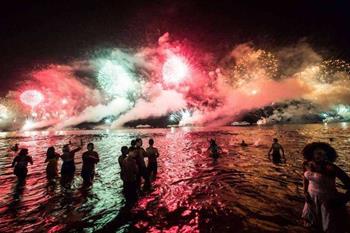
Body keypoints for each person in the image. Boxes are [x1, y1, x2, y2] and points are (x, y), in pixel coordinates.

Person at [302, 142, 350, 232]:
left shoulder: (331, 168)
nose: (322, 157)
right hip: (311, 200)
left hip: (327, 202)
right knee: (312, 226)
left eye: (325, 154)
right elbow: (305, 178)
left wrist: (341, 201)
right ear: (311, 153)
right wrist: (305, 192)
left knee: (329, 227)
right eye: (319, 153)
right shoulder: (306, 164)